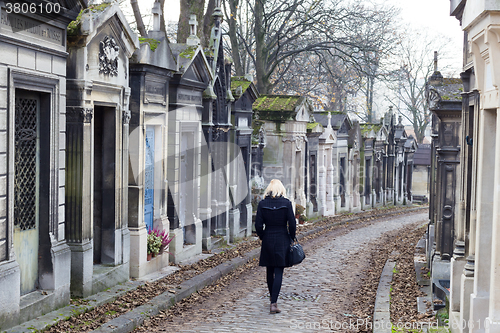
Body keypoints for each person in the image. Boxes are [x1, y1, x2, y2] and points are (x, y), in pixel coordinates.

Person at [255, 179, 297, 314]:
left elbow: (258, 225)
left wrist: (262, 236)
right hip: (282, 237)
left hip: (268, 237)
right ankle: (274, 302)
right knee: (279, 270)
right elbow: (292, 223)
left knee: (269, 270)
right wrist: (291, 236)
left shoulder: (262, 204)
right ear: (281, 189)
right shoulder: (286, 203)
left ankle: (272, 300)